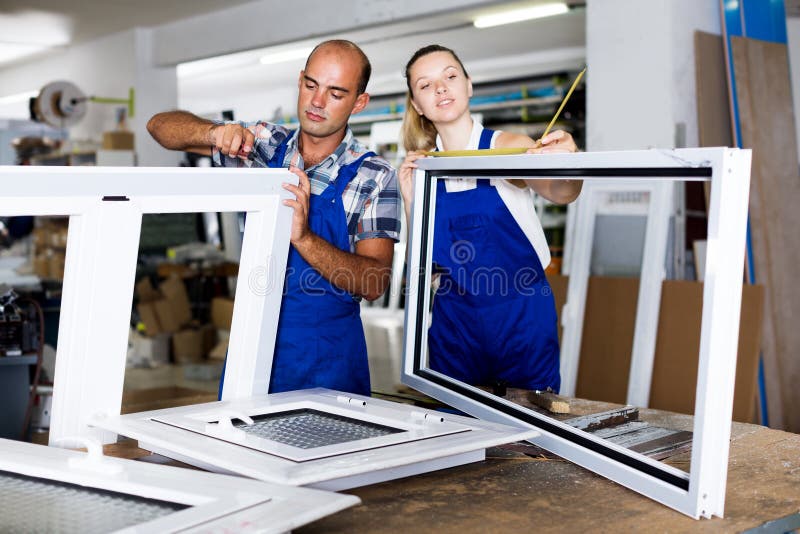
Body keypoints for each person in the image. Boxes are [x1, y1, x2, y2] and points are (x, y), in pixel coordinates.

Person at [147, 40, 401, 396]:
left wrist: (304, 237)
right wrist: (213, 133)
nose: (316, 101)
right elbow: (159, 126)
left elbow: (374, 282)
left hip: (327, 363)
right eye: (311, 85)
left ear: (359, 102)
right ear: (300, 81)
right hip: (252, 353)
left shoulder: (373, 175)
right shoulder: (263, 145)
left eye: (336, 93)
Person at [399, 44, 582, 393]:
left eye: (450, 76)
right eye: (425, 85)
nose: (440, 88)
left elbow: (564, 192)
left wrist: (567, 160)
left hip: (521, 321)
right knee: (454, 432)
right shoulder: (424, 170)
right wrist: (411, 203)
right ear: (417, 105)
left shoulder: (508, 147)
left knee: (530, 438)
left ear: (468, 85)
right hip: (455, 327)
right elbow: (422, 273)